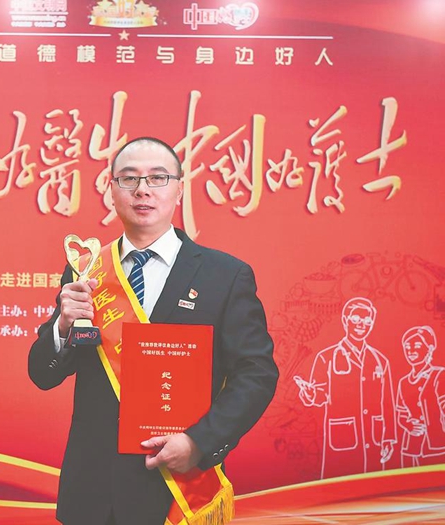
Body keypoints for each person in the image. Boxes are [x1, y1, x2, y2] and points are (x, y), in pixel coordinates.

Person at [28, 137, 278, 525]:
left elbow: (257, 374)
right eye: (129, 179)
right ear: (111, 190)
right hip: (94, 490)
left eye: (158, 178)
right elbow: (42, 373)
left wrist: (199, 442)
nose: (142, 190)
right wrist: (63, 325)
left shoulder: (225, 275)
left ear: (179, 189)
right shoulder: (87, 270)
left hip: (176, 484)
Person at [296, 297, 397, 479]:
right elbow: (320, 394)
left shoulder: (380, 361)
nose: (362, 325)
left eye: (367, 321)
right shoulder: (326, 357)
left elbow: (388, 402)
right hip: (343, 438)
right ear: (345, 320)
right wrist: (310, 393)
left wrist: (389, 437)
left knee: (374, 486)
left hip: (374, 437)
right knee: (339, 487)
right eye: (356, 319)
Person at [395, 325, 445, 467]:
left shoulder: (439, 375)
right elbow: (401, 414)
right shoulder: (403, 382)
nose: (411, 351)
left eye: (417, 346)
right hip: (411, 446)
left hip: (436, 446)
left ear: (429, 348)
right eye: (407, 347)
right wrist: (408, 425)